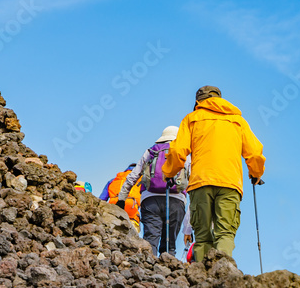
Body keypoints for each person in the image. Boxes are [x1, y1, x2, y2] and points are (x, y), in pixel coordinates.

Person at [162, 86, 265, 262]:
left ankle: (203, 279)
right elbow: (255, 153)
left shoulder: (192, 119)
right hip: (230, 183)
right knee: (225, 233)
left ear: (197, 102)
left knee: (202, 236)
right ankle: (224, 276)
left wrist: (169, 172)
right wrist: (255, 174)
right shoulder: (238, 121)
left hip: (200, 183)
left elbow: (178, 151)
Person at [121, 126, 189, 256]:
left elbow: (133, 175)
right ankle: (169, 270)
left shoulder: (151, 151)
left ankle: (148, 269)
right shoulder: (183, 153)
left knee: (151, 240)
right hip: (176, 200)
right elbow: (192, 178)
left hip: (150, 200)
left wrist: (121, 199)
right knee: (170, 244)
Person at [102, 164, 141, 229]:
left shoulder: (114, 180)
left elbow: (102, 198)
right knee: (131, 235)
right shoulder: (140, 180)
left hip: (114, 208)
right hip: (132, 210)